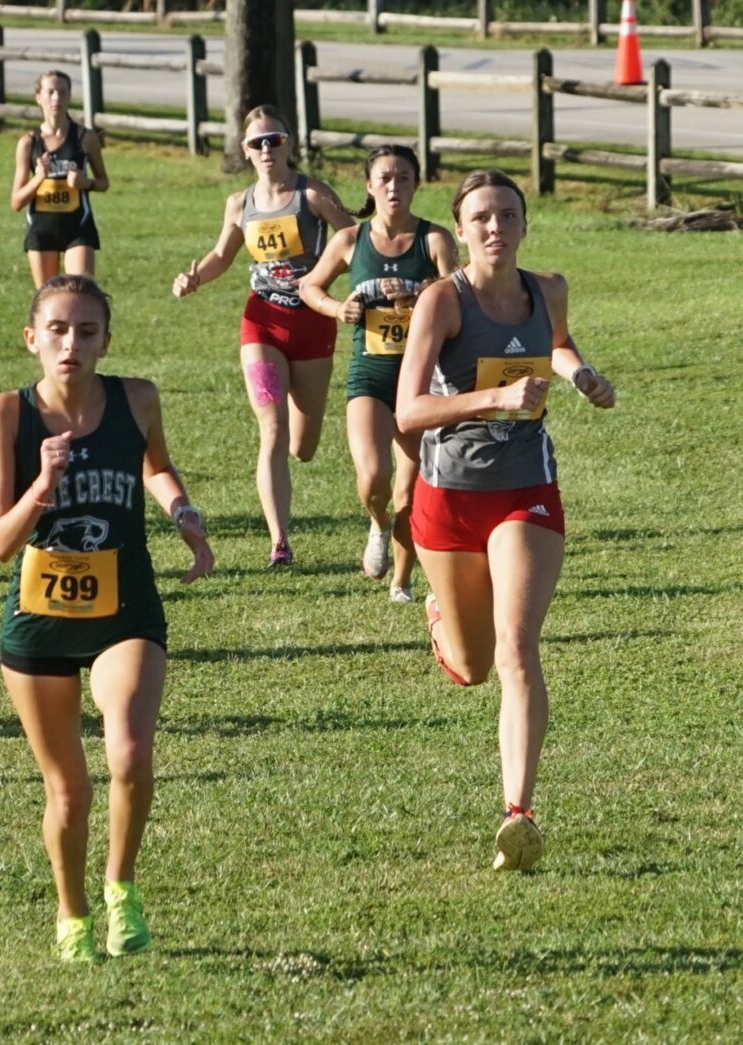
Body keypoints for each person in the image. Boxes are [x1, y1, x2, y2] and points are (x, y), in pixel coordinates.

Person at [0, 274, 213, 961]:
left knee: (131, 753)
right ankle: (72, 910)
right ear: (32, 340)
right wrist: (42, 487)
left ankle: (121, 886)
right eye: (57, 330)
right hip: (39, 620)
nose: (71, 344)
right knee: (69, 789)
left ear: (106, 340)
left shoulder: (136, 398)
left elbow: (158, 468)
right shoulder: (7, 415)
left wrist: (184, 512)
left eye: (86, 331)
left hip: (124, 607)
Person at [396, 169, 615, 871]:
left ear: (524, 225)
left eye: (507, 215)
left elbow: (557, 340)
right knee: (471, 663)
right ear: (460, 230)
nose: (495, 227)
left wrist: (579, 375)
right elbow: (408, 411)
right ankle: (441, 620)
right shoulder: (442, 302)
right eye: (481, 217)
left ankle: (517, 813)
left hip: (526, 488)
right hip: (448, 496)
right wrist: (492, 400)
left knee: (517, 647)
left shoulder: (546, 288)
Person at [172, 104, 353, 567]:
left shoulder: (311, 195)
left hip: (313, 323)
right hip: (262, 322)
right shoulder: (240, 203)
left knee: (303, 444)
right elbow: (221, 255)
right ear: (245, 150)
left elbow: (354, 239)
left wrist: (357, 286)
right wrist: (195, 279)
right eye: (258, 142)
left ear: (289, 144)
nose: (267, 149)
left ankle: (300, 441)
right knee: (272, 429)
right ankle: (280, 542)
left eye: (275, 140)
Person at [300, 145, 458, 603]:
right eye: (385, 178)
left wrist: (424, 294)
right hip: (368, 374)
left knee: (409, 488)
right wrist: (338, 307)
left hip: (421, 380)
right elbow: (309, 286)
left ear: (415, 185)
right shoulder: (351, 241)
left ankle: (402, 581)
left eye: (403, 178)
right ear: (370, 186)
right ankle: (377, 523)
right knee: (373, 476)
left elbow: (461, 296)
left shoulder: (435, 241)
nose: (394, 186)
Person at [11, 70, 109, 288]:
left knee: (82, 292)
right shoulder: (29, 143)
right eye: (50, 92)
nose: (56, 98)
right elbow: (16, 201)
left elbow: (104, 182)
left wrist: (87, 183)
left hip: (78, 227)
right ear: (38, 98)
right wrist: (38, 178)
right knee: (47, 302)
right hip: (42, 229)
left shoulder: (86, 138)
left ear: (69, 96)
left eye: (63, 92)